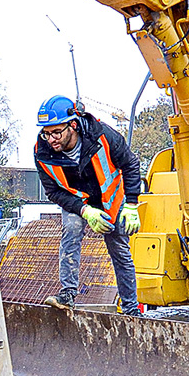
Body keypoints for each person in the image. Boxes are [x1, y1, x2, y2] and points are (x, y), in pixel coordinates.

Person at [33, 95, 146, 314]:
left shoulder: (103, 136)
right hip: (78, 203)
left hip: (110, 198)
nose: (51, 139)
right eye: (46, 133)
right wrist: (84, 210)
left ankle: (131, 309)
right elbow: (53, 191)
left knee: (120, 250)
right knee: (72, 229)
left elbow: (131, 164)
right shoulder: (42, 152)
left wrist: (132, 204)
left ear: (73, 125)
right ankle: (67, 294)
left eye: (56, 132)